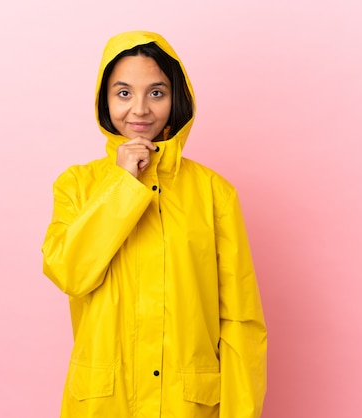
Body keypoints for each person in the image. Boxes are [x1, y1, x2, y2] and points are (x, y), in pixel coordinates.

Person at [42, 30, 267, 417]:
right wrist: (123, 184)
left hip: (187, 404)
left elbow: (240, 321)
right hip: (105, 401)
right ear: (105, 99)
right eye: (124, 93)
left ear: (176, 98)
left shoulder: (215, 194)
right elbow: (69, 272)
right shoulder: (76, 185)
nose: (140, 110)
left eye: (157, 93)